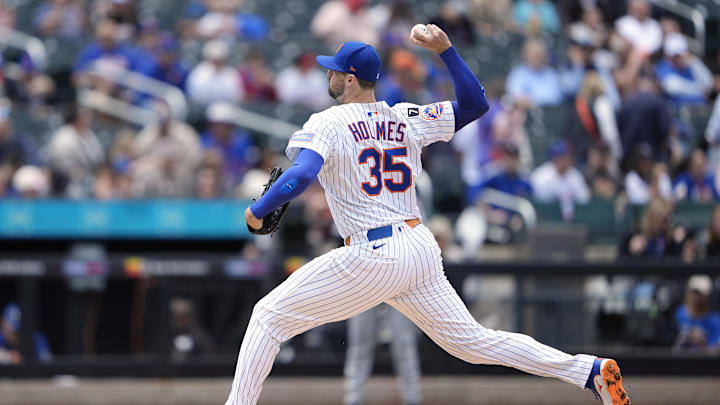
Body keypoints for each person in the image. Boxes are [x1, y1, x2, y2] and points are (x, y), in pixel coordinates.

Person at [225, 25, 630, 405]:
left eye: (334, 72)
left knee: (267, 317)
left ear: (349, 79)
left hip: (374, 250)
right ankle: (587, 370)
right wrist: (447, 51)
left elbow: (301, 174)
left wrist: (258, 211)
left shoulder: (327, 122)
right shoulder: (406, 118)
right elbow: (476, 103)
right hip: (418, 247)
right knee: (473, 343)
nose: (327, 77)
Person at [344, 304, 422, 405]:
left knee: (404, 344)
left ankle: (412, 399)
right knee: (360, 345)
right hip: (364, 290)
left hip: (396, 290)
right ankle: (353, 398)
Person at [655, 33, 713, 106]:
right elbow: (672, 87)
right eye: (674, 56)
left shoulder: (692, 65)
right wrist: (700, 91)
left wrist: (695, 63)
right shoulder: (662, 67)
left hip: (700, 109)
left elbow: (709, 83)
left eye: (679, 56)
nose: (677, 59)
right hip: (677, 113)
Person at [530, 140, 591, 208]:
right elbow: (540, 204)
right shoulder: (541, 176)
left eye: (569, 156)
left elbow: (584, 200)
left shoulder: (575, 175)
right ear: (556, 158)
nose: (569, 159)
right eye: (565, 157)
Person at [506, 38, 563, 106]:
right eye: (533, 54)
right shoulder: (518, 73)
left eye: (539, 54)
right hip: (527, 112)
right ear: (526, 55)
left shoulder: (551, 73)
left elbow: (556, 97)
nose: (536, 57)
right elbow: (515, 97)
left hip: (551, 113)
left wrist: (533, 100)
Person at [674, 276, 720, 352]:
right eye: (693, 293)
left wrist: (703, 342)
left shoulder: (715, 320)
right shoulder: (679, 313)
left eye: (699, 294)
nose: (696, 297)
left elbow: (715, 351)